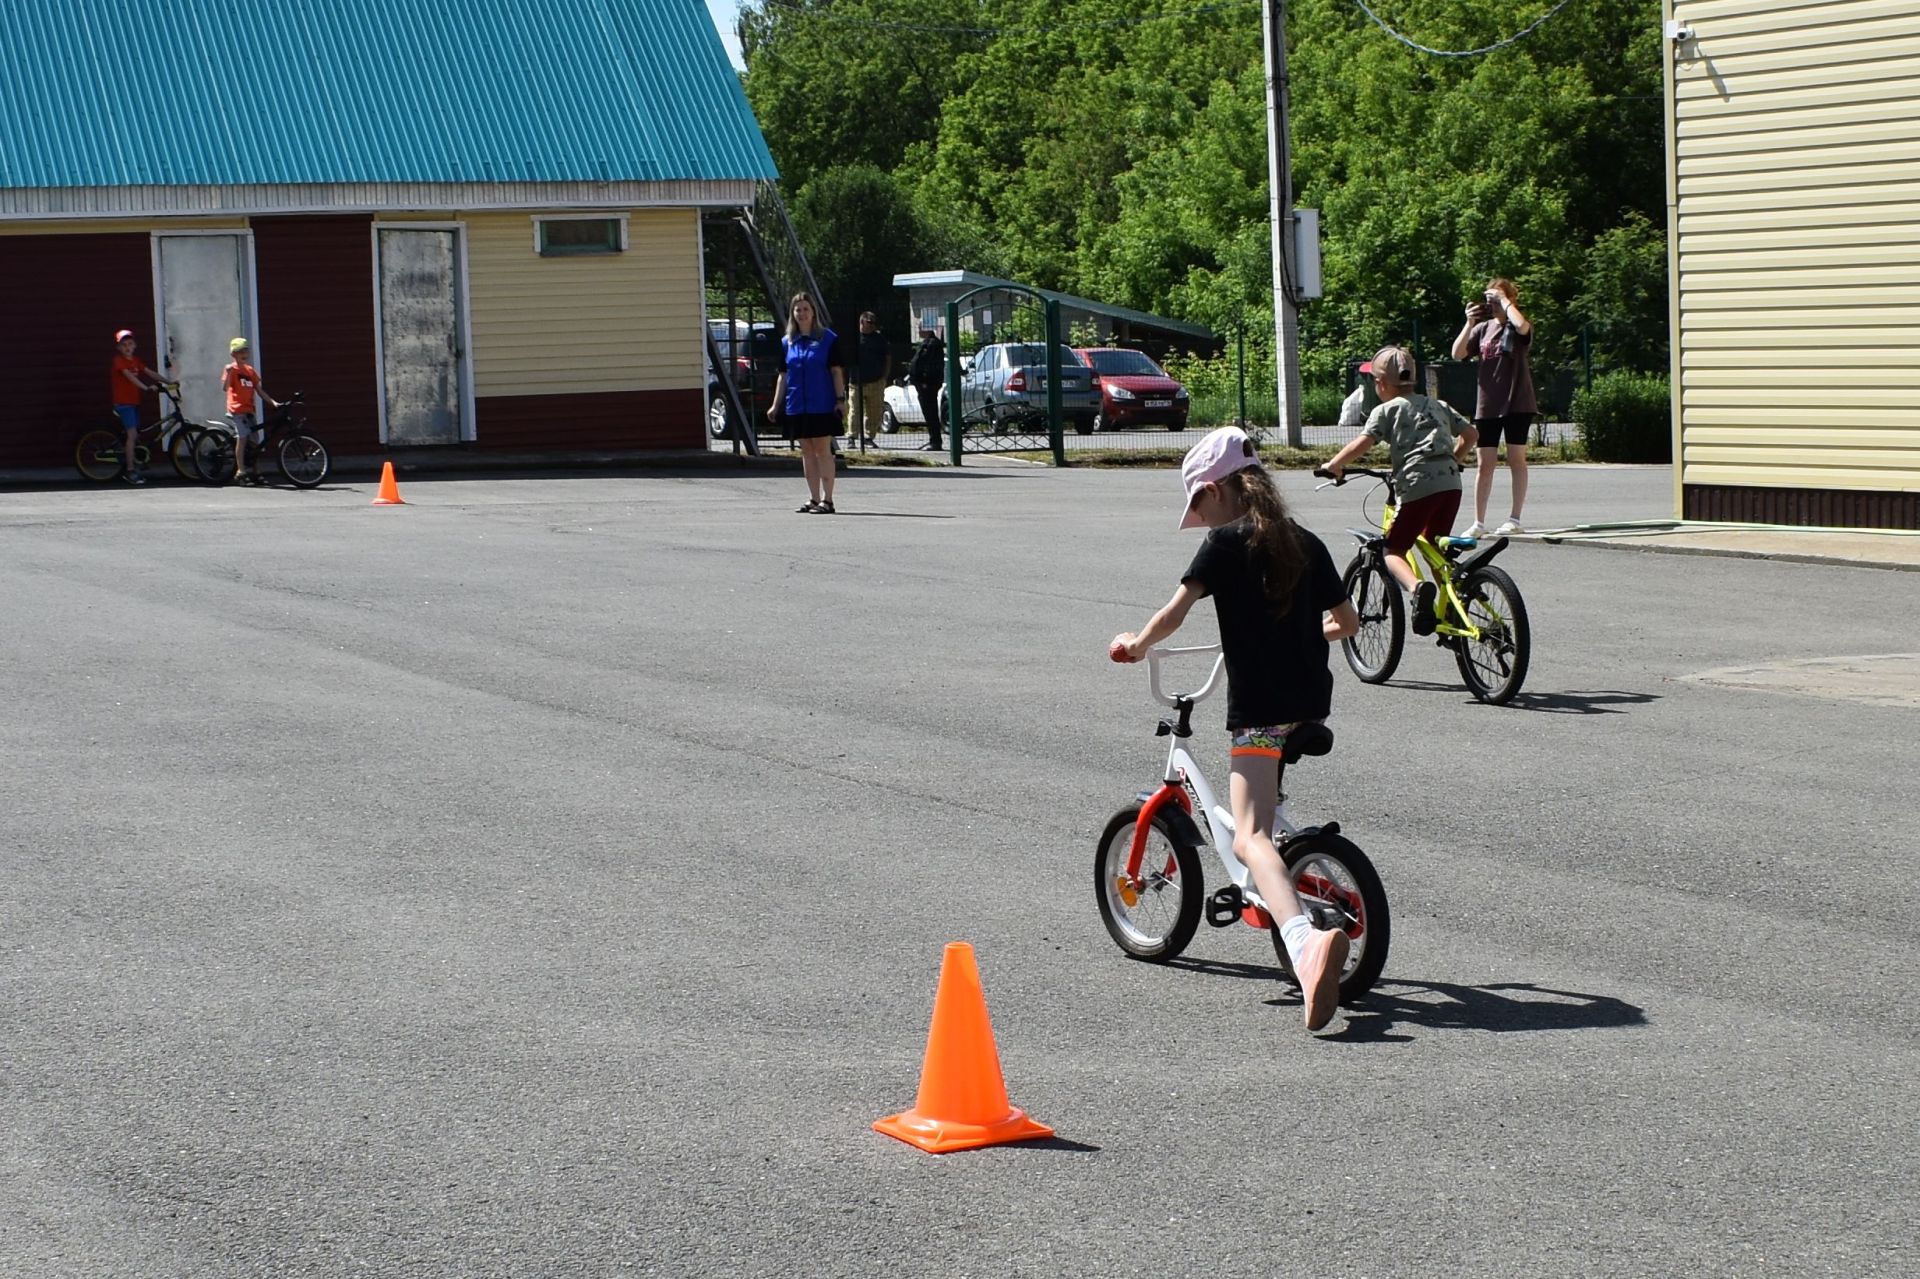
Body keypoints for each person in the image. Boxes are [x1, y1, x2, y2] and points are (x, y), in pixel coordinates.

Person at [1108, 426, 1362, 1032]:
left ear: (1220, 490)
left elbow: (1175, 611)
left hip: (1264, 709)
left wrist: (1136, 645)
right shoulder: (1305, 541)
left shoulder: (1225, 544)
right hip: (1311, 702)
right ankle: (1300, 883)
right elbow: (1347, 622)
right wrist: (1300, 634)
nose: (1200, 512)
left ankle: (1303, 941)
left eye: (1199, 500)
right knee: (1264, 809)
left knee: (1249, 836)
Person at [1323, 347, 1478, 636]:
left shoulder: (1386, 410)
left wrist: (1334, 465)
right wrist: (1454, 459)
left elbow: (1363, 443)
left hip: (1417, 485)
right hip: (1450, 485)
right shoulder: (1438, 405)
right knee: (1434, 545)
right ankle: (1452, 609)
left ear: (1381, 384)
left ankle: (1418, 589)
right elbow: (1471, 435)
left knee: (1393, 549)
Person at [1450, 276, 1536, 536]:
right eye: (1490, 300)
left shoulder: (1517, 325)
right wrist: (1469, 322)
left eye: (1496, 299)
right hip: (1487, 405)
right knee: (1484, 463)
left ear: (1509, 299)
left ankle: (1515, 519)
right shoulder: (1483, 329)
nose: (1493, 304)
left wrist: (1505, 301)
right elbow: (1457, 353)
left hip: (1517, 403)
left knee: (1515, 459)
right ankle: (1478, 522)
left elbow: (1522, 327)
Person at [768, 294, 845, 513]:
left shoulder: (828, 339)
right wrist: (776, 405)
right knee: (807, 452)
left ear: (813, 312)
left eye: (806, 309)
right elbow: (783, 375)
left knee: (823, 451)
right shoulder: (787, 342)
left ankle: (828, 500)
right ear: (792, 314)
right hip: (796, 405)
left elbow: (836, 371)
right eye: (797, 310)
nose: (802, 314)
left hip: (821, 404)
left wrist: (840, 400)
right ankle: (813, 498)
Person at [109, 329, 167, 485]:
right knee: (132, 435)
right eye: (124, 345)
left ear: (134, 345)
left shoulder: (136, 360)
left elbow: (150, 372)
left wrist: (168, 382)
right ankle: (130, 470)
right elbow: (129, 376)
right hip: (123, 403)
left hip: (133, 402)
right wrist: (145, 388)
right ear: (119, 348)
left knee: (135, 433)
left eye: (130, 344)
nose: (127, 347)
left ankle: (134, 459)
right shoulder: (119, 361)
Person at [223, 338, 277, 485]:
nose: (244, 353)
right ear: (233, 354)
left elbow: (259, 390)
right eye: (240, 351)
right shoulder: (231, 370)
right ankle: (240, 471)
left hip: (248, 409)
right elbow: (225, 388)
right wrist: (228, 373)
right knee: (243, 437)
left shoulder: (249, 370)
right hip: (236, 409)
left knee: (255, 442)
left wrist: (273, 403)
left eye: (246, 350)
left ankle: (256, 471)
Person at [846, 311, 890, 448]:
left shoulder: (879, 339)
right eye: (869, 322)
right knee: (854, 410)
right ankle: (852, 437)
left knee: (874, 411)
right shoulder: (852, 338)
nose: (872, 326)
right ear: (861, 322)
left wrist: (884, 377)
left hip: (876, 381)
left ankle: (868, 437)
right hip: (856, 381)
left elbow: (888, 357)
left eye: (874, 323)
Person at [907, 324, 946, 451]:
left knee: (931, 413)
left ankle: (935, 442)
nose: (918, 331)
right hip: (923, 385)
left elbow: (930, 366)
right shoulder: (927, 343)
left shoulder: (933, 344)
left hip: (928, 385)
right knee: (929, 413)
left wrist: (925, 381)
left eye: (920, 328)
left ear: (927, 328)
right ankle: (933, 440)